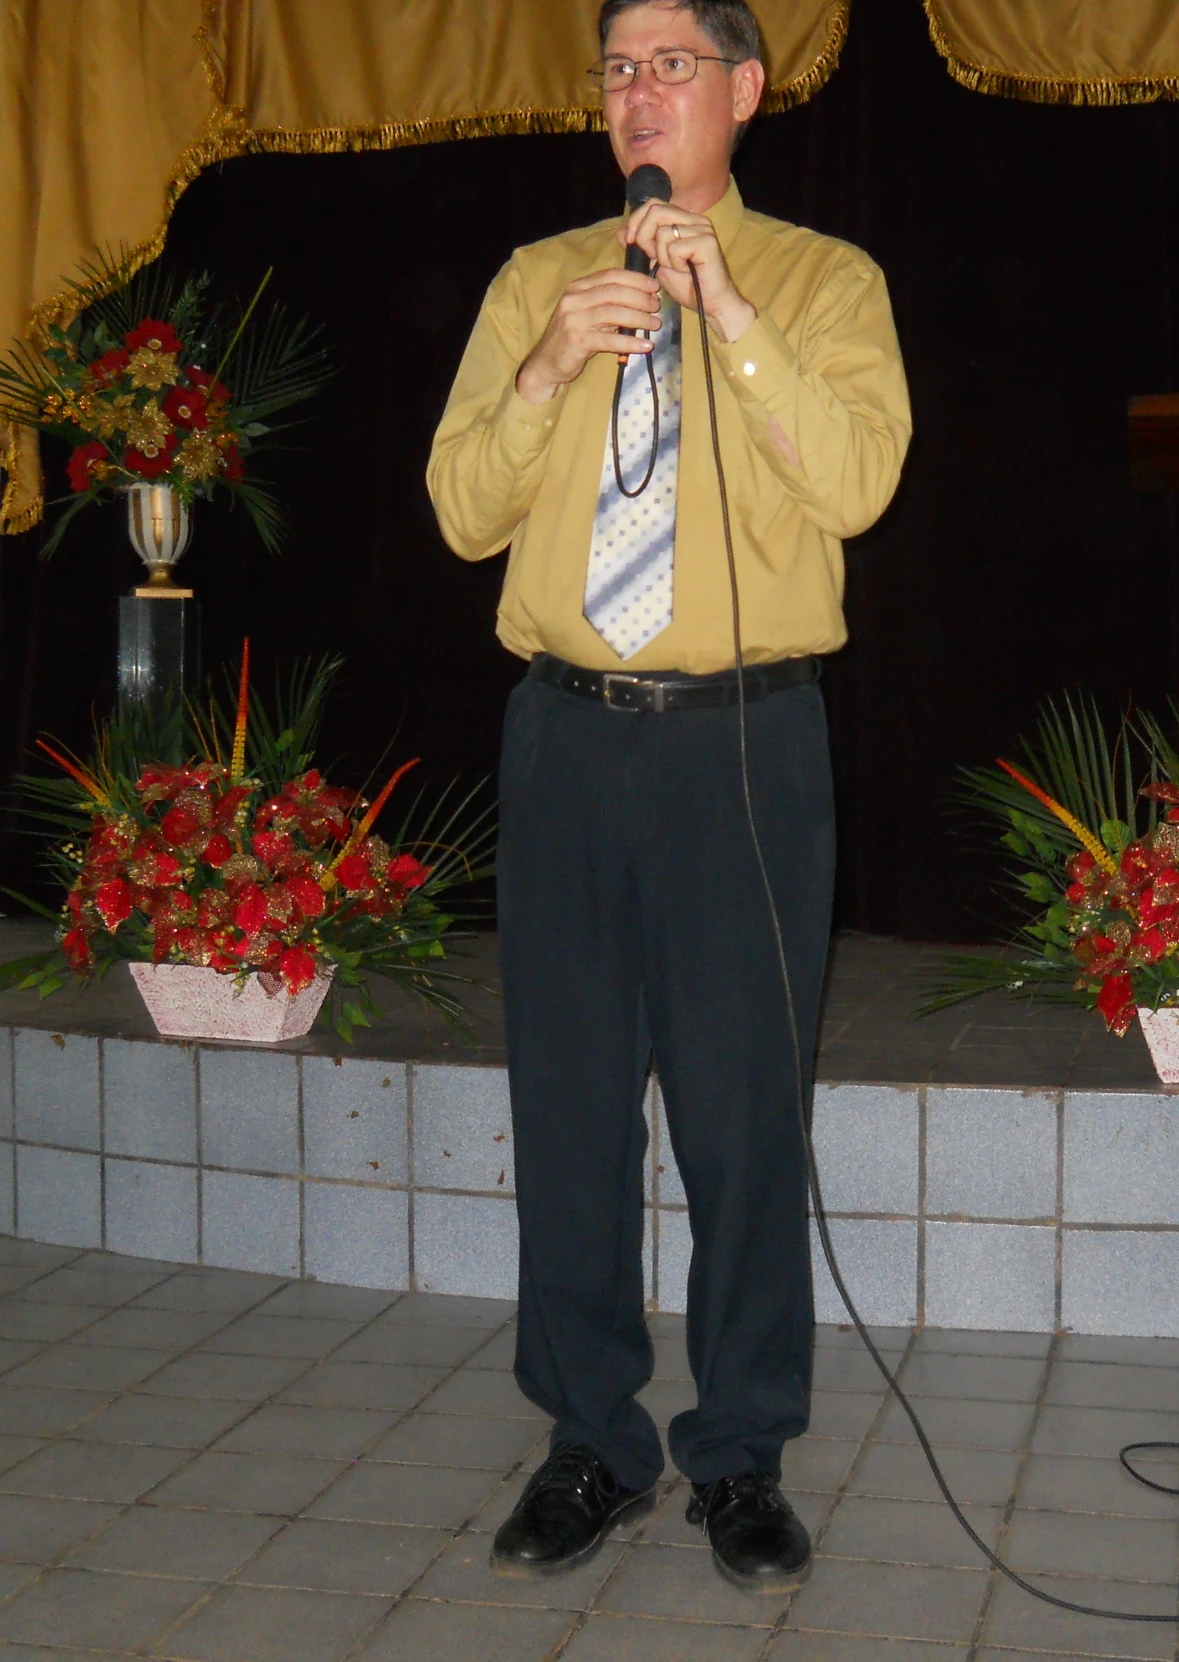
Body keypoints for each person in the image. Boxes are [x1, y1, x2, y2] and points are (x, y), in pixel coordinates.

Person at [426, 0, 910, 1591]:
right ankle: (590, 1440)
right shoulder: (527, 284)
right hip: (565, 737)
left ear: (744, 91)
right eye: (618, 70)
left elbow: (857, 480)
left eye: (670, 67)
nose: (637, 95)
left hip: (742, 749)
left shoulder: (830, 280)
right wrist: (555, 362)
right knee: (566, 1108)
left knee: (740, 1114)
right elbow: (458, 507)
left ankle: (743, 1451)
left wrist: (730, 309)